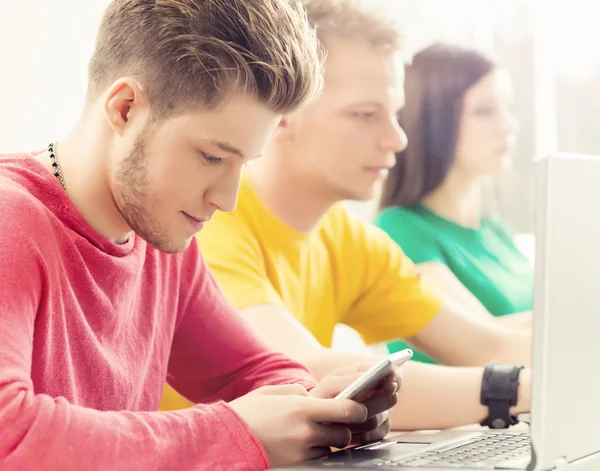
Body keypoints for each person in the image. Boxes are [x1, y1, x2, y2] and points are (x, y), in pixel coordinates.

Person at [0, 1, 401, 469]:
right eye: (212, 157)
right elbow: (10, 435)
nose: (227, 199)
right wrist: (236, 431)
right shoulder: (12, 220)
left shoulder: (160, 232)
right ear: (125, 109)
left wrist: (321, 408)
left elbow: (251, 372)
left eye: (244, 164)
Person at [166, 0, 533, 431]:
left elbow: (482, 345)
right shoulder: (213, 219)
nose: (396, 139)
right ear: (284, 112)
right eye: (364, 115)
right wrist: (521, 390)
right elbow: (304, 373)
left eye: (394, 114)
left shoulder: (351, 241)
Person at [375, 43, 534, 363]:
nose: (508, 125)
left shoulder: (495, 232)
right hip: (467, 410)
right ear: (434, 123)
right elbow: (482, 345)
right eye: (485, 111)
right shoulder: (398, 230)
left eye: (508, 107)